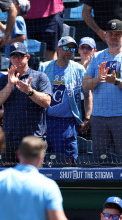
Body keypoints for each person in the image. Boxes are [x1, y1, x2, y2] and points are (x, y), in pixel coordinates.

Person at [82, 19, 122, 157]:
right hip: (99, 117)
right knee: (100, 160)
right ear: (106, 36)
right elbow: (85, 85)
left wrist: (117, 82)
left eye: (117, 34)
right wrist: (99, 78)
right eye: (111, 34)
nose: (114, 37)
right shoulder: (97, 56)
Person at [0, 42, 51, 166]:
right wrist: (10, 85)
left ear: (27, 57)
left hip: (34, 138)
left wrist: (29, 91)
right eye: (14, 56)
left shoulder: (40, 76)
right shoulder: (4, 79)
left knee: (34, 178)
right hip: (10, 139)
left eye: (20, 55)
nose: (17, 59)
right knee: (9, 179)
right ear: (10, 58)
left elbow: (47, 102)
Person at [38, 36, 87, 165]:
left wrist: (87, 117)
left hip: (67, 123)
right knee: (44, 160)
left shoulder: (79, 69)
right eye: (65, 47)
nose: (69, 51)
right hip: (46, 121)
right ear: (58, 49)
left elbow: (88, 93)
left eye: (72, 48)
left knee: (68, 162)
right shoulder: (44, 67)